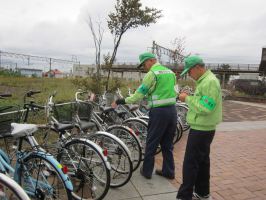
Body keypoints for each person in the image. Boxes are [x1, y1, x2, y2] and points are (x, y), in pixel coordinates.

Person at [112, 52, 177, 179]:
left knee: (151, 142)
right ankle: (169, 171)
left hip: (159, 113)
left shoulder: (152, 74)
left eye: (144, 64)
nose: (144, 67)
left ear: (151, 61)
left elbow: (138, 96)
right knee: (167, 144)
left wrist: (120, 101)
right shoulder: (170, 72)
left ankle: (147, 171)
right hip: (172, 111)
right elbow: (175, 91)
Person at [176, 55, 222, 200]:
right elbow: (204, 101)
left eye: (190, 71)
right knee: (202, 162)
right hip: (204, 127)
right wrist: (192, 97)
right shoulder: (206, 81)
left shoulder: (209, 82)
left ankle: (184, 196)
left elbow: (206, 107)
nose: (189, 75)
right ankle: (202, 192)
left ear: (198, 67)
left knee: (190, 163)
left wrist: (187, 98)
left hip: (201, 129)